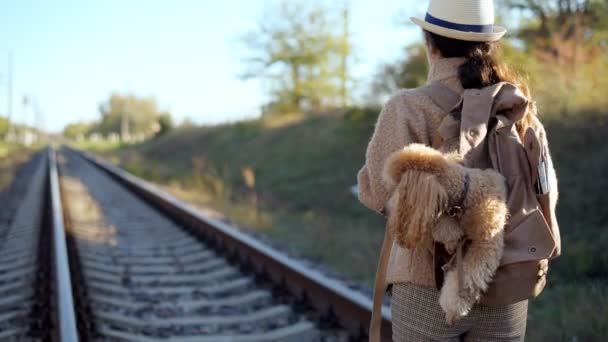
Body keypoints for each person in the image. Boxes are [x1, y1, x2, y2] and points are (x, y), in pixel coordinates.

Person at [357, 0, 560, 341]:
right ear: (489, 45)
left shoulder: (407, 106)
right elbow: (546, 191)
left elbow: (376, 191)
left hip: (426, 289)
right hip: (506, 285)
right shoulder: (517, 105)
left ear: (430, 44)